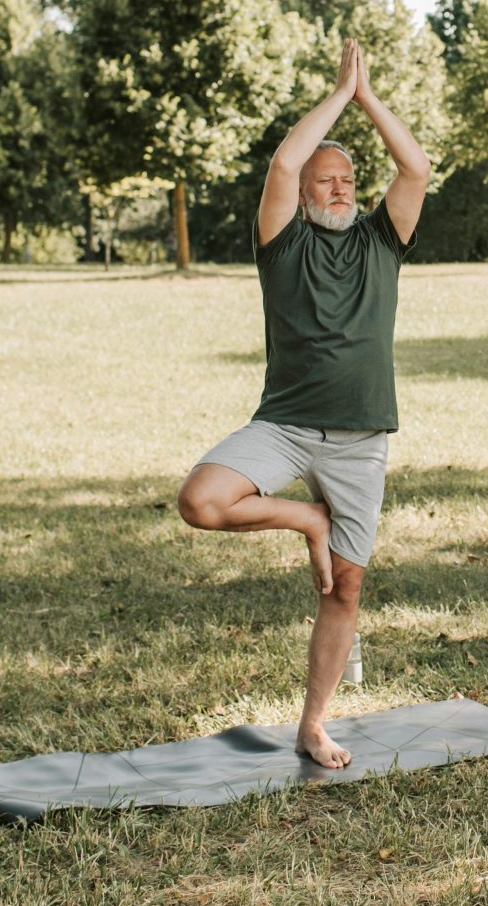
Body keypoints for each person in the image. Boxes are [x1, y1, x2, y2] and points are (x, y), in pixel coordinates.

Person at [175, 37, 431, 768]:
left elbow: (414, 167)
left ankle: (314, 724)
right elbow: (284, 162)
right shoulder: (281, 244)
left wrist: (368, 98)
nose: (340, 186)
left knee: (344, 588)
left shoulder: (383, 241)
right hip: (284, 427)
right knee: (201, 499)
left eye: (349, 177)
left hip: (360, 440)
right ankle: (305, 517)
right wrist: (336, 96)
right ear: (306, 192)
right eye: (328, 179)